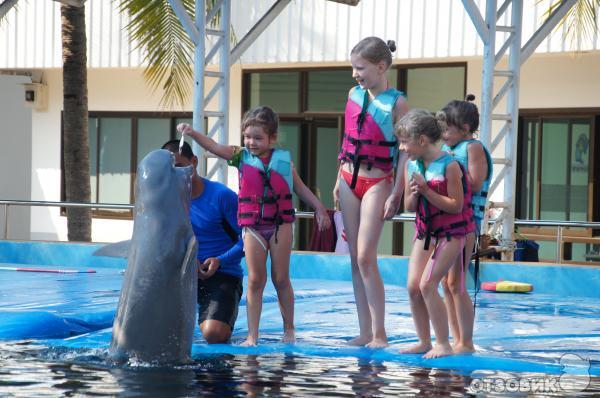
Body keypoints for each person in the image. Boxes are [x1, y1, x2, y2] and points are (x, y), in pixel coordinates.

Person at [177, 106, 330, 346]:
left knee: (281, 279)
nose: (251, 142)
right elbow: (214, 147)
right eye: (247, 137)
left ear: (273, 138)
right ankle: (252, 335)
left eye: (258, 138)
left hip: (280, 225)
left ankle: (289, 330)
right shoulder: (240, 157)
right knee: (256, 280)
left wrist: (319, 208)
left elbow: (299, 188)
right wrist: (193, 133)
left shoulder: (283, 161)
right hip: (254, 228)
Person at [332, 36, 409, 348]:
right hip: (349, 177)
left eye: (359, 67)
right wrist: (339, 179)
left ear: (381, 66)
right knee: (353, 257)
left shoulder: (397, 102)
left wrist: (397, 192)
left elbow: (405, 150)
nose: (355, 74)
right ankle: (364, 331)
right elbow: (348, 136)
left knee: (366, 256)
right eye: (353, 67)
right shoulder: (353, 94)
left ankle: (380, 333)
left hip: (379, 181)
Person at [396, 109, 475, 358]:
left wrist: (427, 190)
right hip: (425, 232)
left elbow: (456, 206)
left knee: (428, 284)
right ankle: (424, 340)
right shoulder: (412, 166)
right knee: (412, 287)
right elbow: (409, 206)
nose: (401, 147)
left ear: (421, 140)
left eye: (404, 141)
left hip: (451, 235)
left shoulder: (450, 166)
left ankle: (444, 343)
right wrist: (416, 192)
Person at [162, 140, 244, 344]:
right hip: (183, 275)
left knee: (213, 334)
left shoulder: (221, 196)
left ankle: (218, 317)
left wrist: (220, 260)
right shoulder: (167, 201)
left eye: (180, 167)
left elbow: (250, 240)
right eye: (170, 170)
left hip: (223, 274)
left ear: (195, 161)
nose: (176, 174)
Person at [438, 95, 492, 353]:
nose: (443, 133)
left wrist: (448, 169)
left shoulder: (473, 148)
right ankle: (456, 338)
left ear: (465, 129)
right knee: (446, 284)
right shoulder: (450, 150)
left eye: (447, 129)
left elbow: (475, 182)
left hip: (468, 221)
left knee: (456, 284)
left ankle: (466, 342)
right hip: (450, 221)